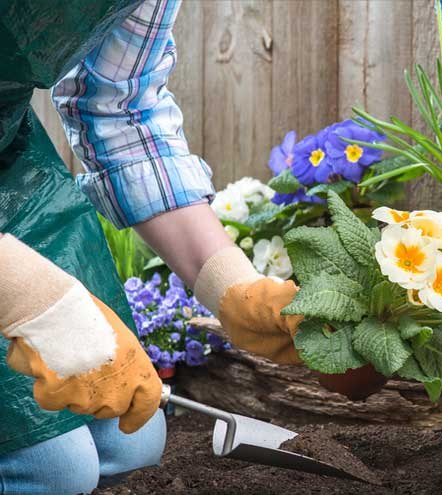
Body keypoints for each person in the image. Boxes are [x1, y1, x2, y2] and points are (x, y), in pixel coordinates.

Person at [0, 0, 301, 492]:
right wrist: (25, 294)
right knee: (52, 471)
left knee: (131, 442)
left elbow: (120, 105)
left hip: (9, 162)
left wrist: (231, 285)